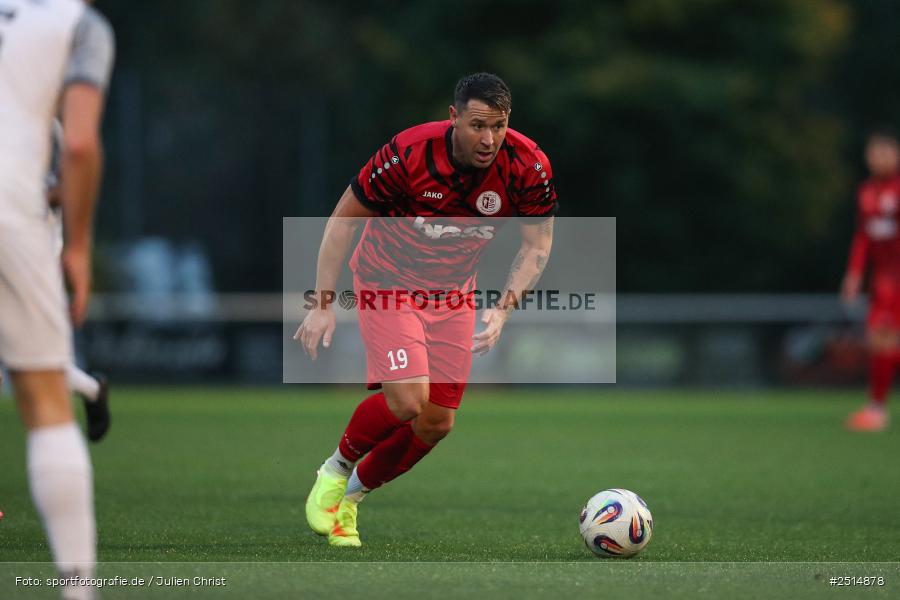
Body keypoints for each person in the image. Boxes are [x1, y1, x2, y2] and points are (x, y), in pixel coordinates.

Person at [297, 73, 557, 547]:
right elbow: (342, 221)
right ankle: (334, 470)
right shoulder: (408, 154)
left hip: (453, 293)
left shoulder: (528, 165)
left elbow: (537, 245)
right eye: (477, 125)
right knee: (407, 400)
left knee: (437, 421)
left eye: (498, 126)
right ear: (453, 117)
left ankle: (349, 501)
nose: (489, 139)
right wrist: (322, 304)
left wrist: (502, 310)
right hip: (387, 282)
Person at [0, 2, 114, 599]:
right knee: (45, 403)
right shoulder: (80, 27)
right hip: (12, 212)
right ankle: (77, 588)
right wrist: (79, 244)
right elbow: (79, 145)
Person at [46, 120, 111, 443]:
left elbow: (66, 185)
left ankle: (92, 389)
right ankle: (91, 389)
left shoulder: (47, 128)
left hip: (31, 256)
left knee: (38, 366)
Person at [841, 128, 900, 432]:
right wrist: (854, 274)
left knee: (886, 338)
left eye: (885, 152)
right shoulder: (866, 192)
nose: (880, 159)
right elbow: (862, 237)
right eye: (875, 153)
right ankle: (876, 408)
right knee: (879, 340)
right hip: (881, 280)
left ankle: (876, 409)